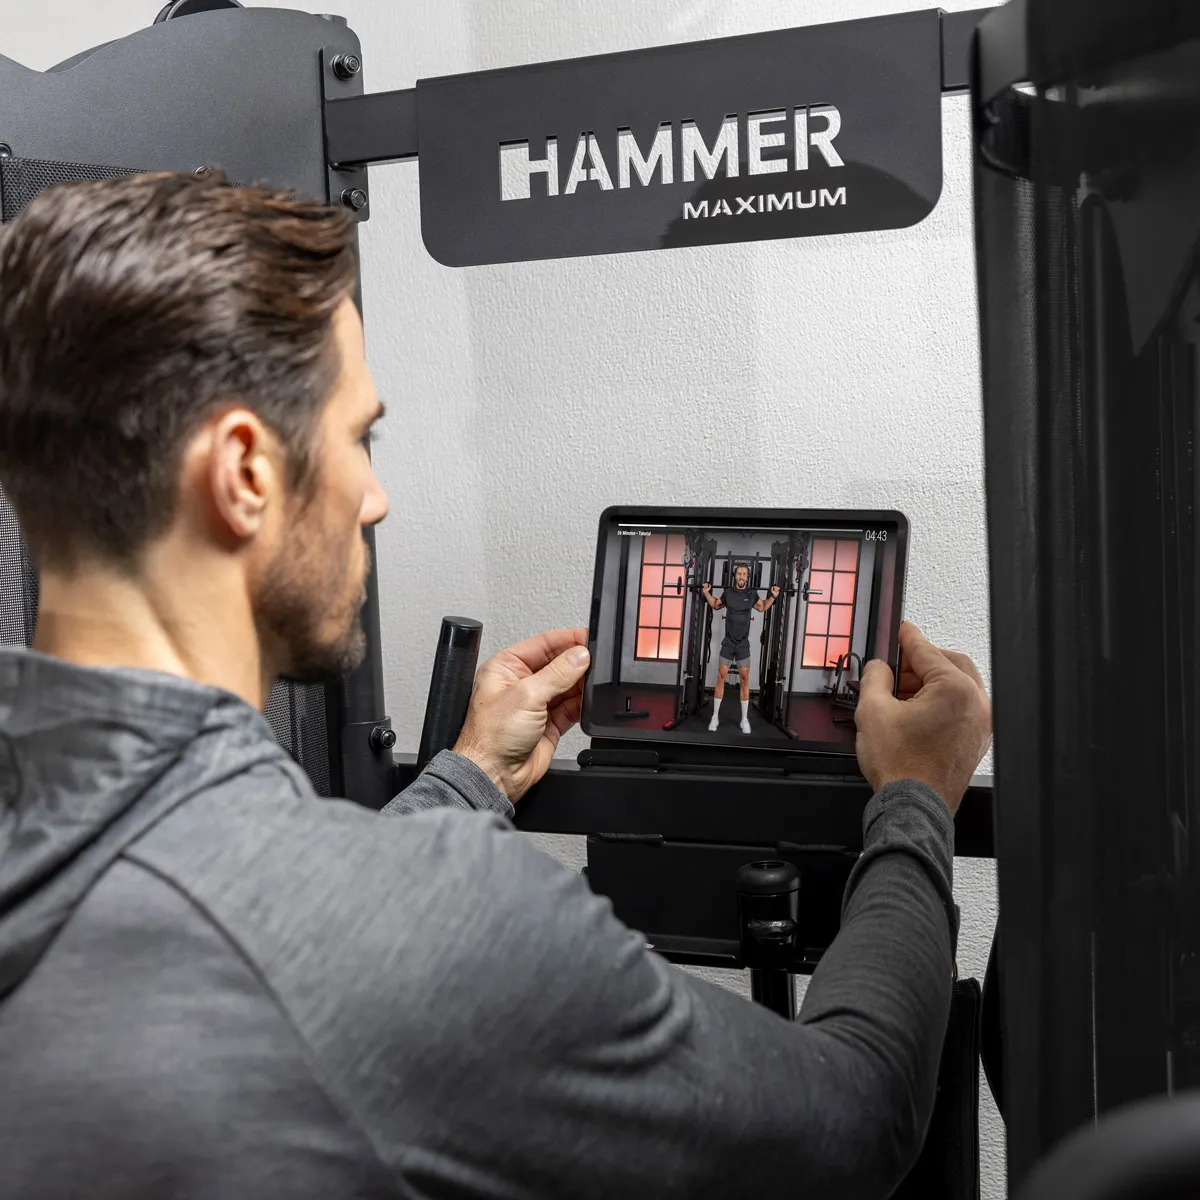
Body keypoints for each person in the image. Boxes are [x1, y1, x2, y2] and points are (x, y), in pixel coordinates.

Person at [0, 173, 993, 1200]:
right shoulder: (440, 928)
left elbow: (257, 901)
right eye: (360, 438)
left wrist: (469, 776)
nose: (374, 499)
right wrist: (916, 800)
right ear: (246, 471)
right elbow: (854, 1120)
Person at [701, 564, 780, 732]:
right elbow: (715, 605)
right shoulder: (728, 593)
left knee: (744, 679)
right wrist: (706, 592)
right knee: (721, 677)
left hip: (743, 644)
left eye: (744, 574)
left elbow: (762, 607)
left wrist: (773, 596)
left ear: (747, 577)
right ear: (735, 576)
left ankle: (744, 720)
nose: (741, 577)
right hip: (728, 643)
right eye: (739, 574)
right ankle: (715, 717)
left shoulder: (752, 594)